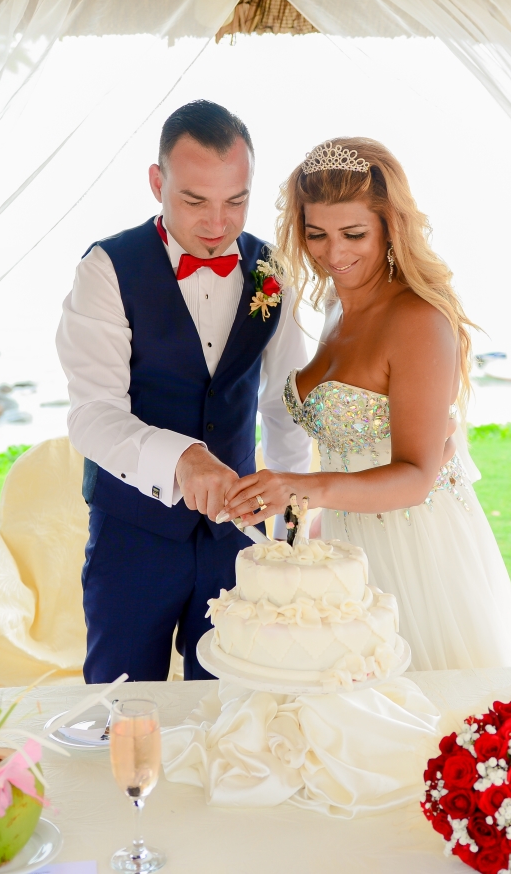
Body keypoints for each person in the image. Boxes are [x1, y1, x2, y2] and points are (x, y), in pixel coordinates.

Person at [221, 138, 511, 670]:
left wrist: (301, 487)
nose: (333, 254)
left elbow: (415, 476)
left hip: (416, 547)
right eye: (316, 234)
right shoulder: (334, 306)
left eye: (354, 234)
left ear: (390, 226)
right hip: (348, 542)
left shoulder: (418, 321)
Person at [56, 101, 312, 682]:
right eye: (195, 201)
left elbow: (284, 406)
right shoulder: (106, 269)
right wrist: (183, 458)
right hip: (133, 535)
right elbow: (92, 414)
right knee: (123, 706)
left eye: (236, 201)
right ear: (157, 182)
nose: (218, 224)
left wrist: (288, 527)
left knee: (233, 707)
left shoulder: (271, 270)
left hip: (238, 539)